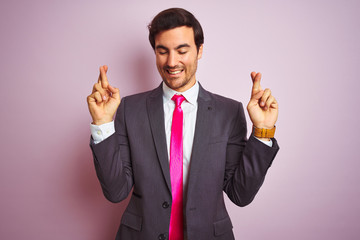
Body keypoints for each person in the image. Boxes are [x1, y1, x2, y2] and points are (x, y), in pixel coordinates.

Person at [87, 8, 279, 240]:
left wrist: (262, 132)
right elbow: (116, 191)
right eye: (162, 51)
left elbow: (241, 194)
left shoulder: (229, 112)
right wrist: (102, 123)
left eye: (182, 50)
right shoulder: (130, 109)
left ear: (199, 51)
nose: (171, 61)